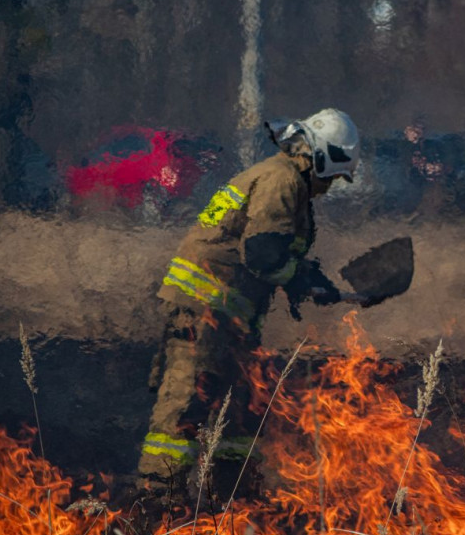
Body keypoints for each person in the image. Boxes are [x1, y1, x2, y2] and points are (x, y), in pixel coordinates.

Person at [137, 108, 360, 492]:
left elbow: (269, 253)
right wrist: (299, 279)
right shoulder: (281, 181)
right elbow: (261, 254)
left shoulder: (281, 178)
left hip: (229, 318)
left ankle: (233, 499)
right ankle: (155, 502)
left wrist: (306, 277)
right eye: (334, 176)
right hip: (204, 312)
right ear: (321, 158)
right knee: (186, 407)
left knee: (240, 408)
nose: (331, 186)